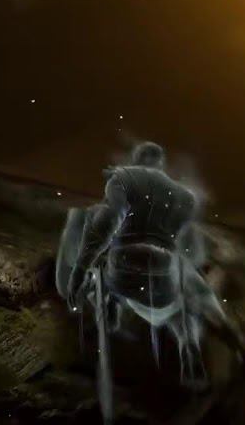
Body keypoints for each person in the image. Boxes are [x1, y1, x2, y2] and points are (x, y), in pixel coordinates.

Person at [55, 142, 223, 422]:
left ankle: (110, 305)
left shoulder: (124, 179)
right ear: (160, 164)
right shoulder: (183, 197)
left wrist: (80, 269)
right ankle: (187, 342)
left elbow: (107, 222)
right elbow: (190, 251)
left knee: (104, 271)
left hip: (126, 265)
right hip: (163, 272)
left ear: (137, 159)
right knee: (177, 307)